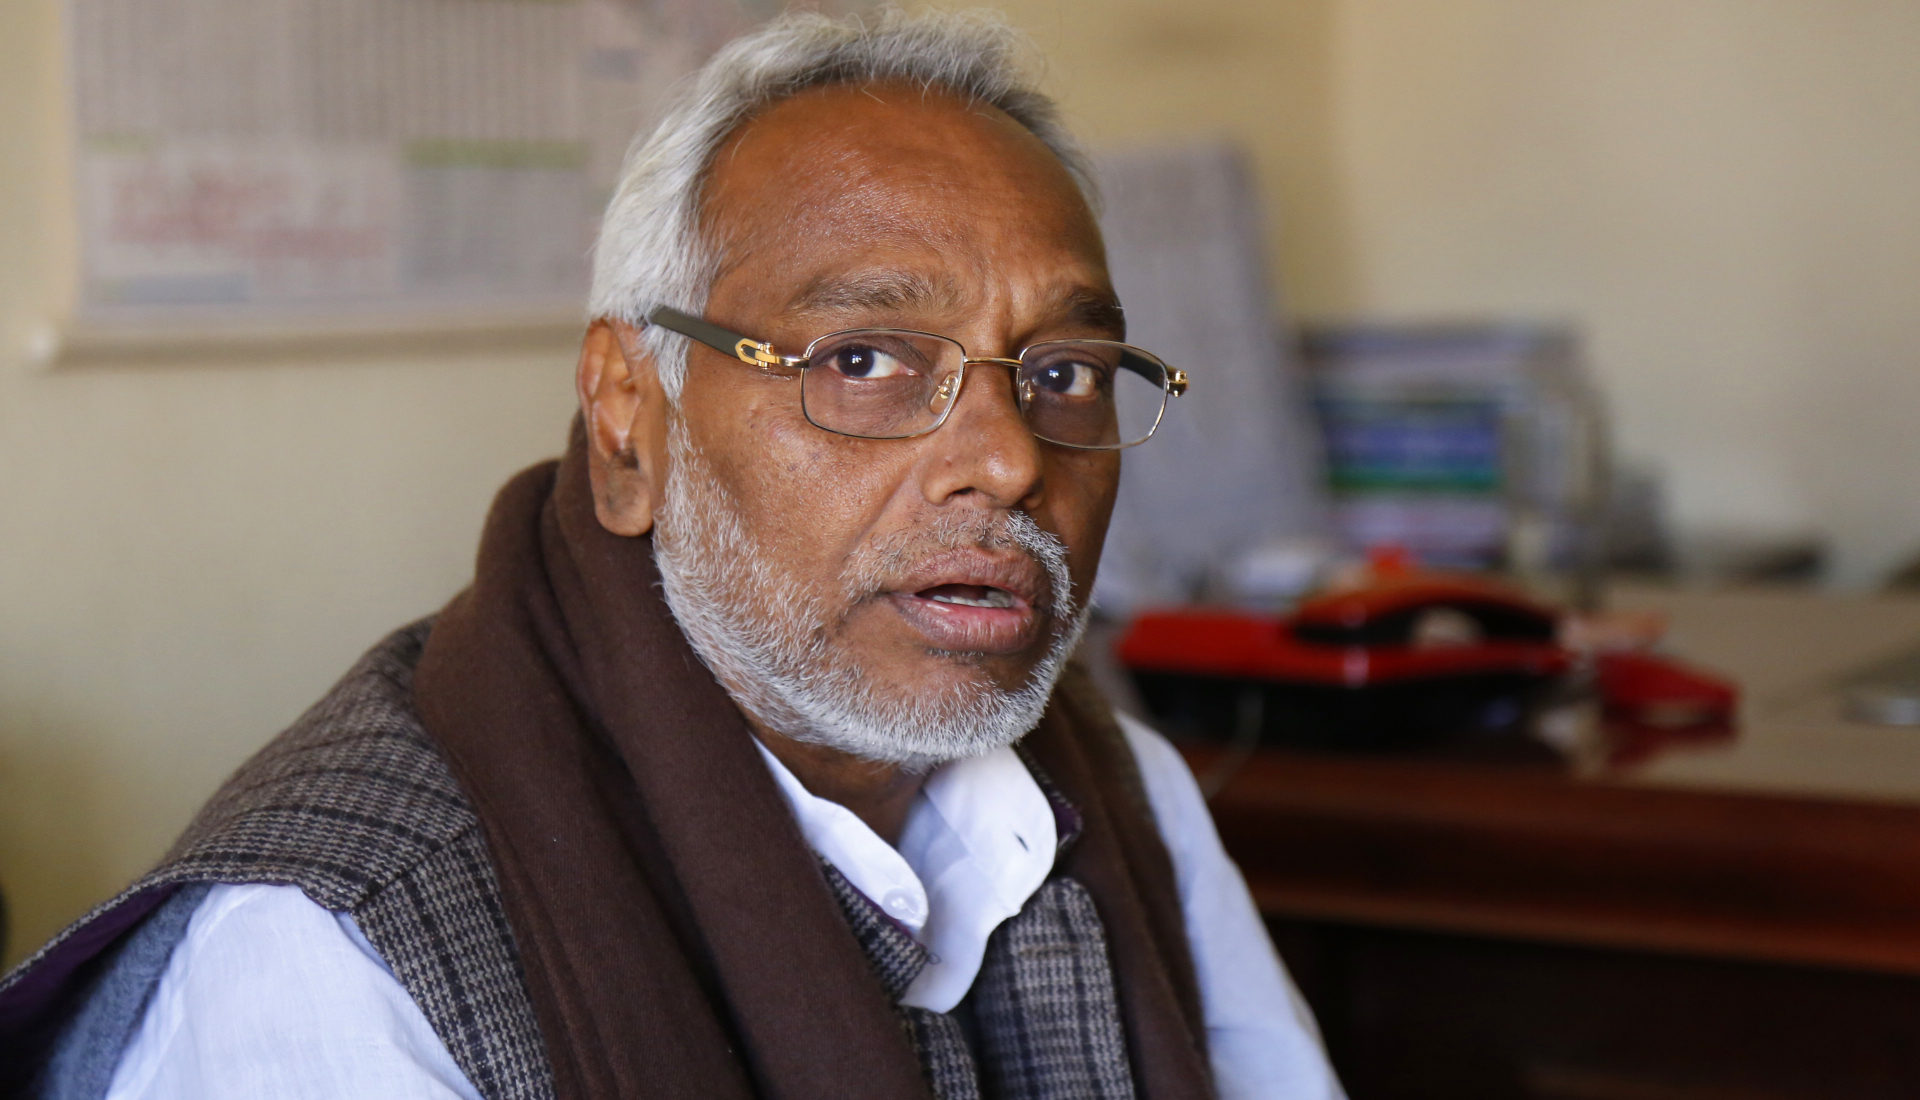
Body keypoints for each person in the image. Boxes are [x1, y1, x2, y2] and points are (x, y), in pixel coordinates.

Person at [0, 11, 1345, 1100]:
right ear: (628, 421)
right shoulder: (334, 953)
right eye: (861, 360)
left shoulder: (1124, 789)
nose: (1005, 459)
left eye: (1062, 372)